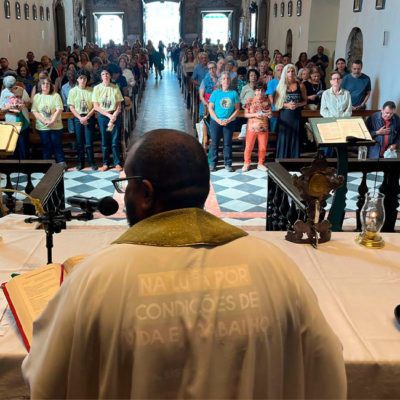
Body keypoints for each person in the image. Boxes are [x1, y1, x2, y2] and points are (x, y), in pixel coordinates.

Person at [22, 129, 347, 399]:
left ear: (146, 193)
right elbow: (327, 373)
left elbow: (45, 378)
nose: (125, 194)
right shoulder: (276, 268)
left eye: (127, 184)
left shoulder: (95, 278)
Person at [92, 66, 124, 171]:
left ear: (110, 75)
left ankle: (117, 162)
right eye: (103, 74)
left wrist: (114, 115)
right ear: (100, 76)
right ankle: (105, 163)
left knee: (115, 140)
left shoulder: (115, 87)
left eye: (107, 74)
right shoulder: (97, 88)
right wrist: (108, 115)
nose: (105, 76)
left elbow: (119, 105)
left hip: (115, 116)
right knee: (105, 140)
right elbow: (96, 106)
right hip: (103, 117)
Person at [208, 72, 241, 172]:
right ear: (220, 81)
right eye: (224, 79)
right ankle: (213, 163)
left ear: (230, 81)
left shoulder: (233, 93)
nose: (226, 80)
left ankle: (228, 163)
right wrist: (218, 120)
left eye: (227, 78)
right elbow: (210, 108)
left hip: (229, 122)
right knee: (215, 143)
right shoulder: (216, 93)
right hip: (216, 121)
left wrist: (229, 119)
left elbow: (237, 109)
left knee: (227, 143)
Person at [274, 64, 307, 158]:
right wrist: (287, 105)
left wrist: (297, 105)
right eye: (288, 71)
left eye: (292, 71)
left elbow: (305, 101)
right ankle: (282, 160)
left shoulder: (301, 86)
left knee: (295, 137)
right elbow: (276, 102)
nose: (291, 73)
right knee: (284, 137)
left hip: (296, 115)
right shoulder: (281, 85)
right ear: (285, 73)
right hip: (285, 115)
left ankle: (294, 161)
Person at [67, 69, 97, 170]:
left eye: (85, 78)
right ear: (77, 79)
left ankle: (92, 162)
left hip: (89, 117)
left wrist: (87, 117)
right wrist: (80, 118)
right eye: (81, 78)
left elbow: (94, 106)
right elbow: (71, 107)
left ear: (87, 79)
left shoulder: (91, 90)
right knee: (79, 142)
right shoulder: (73, 91)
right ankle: (80, 162)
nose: (83, 80)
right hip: (78, 118)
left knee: (88, 141)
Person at [31, 77, 65, 163]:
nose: (46, 85)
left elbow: (59, 109)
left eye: (47, 83)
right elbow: (35, 111)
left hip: (56, 126)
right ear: (40, 85)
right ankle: (47, 166)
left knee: (57, 146)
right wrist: (44, 121)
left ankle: (61, 165)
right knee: (46, 147)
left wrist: (52, 121)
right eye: (43, 83)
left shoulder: (56, 95)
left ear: (50, 85)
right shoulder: (37, 97)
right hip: (43, 127)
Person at [320, 71, 352, 157]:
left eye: (338, 79)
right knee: (328, 149)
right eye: (334, 79)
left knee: (340, 148)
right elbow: (323, 110)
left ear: (341, 80)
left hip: (342, 124)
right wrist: (333, 119)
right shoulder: (325, 94)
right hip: (329, 124)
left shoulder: (346, 94)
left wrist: (340, 119)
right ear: (330, 81)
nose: (336, 81)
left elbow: (348, 111)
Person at [242, 82, 272, 172]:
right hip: (251, 128)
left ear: (264, 91)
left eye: (262, 90)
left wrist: (269, 114)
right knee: (249, 146)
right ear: (254, 91)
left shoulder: (267, 101)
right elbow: (245, 114)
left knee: (262, 147)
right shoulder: (249, 101)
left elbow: (270, 113)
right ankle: (246, 163)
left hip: (263, 128)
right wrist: (255, 114)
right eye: (258, 90)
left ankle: (260, 163)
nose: (259, 92)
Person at [0, 76, 31, 159]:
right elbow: (1, 110)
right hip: (11, 123)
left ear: (15, 83)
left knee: (24, 147)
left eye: (12, 87)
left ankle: (25, 167)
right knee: (13, 148)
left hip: (22, 122)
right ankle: (13, 169)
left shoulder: (21, 90)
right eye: (8, 87)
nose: (10, 89)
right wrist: (9, 106)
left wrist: (23, 105)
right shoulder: (4, 92)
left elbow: (29, 103)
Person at [266, 63, 284, 133]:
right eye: (278, 70)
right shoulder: (271, 83)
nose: (280, 71)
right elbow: (270, 96)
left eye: (282, 70)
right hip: (275, 109)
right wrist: (277, 106)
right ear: (275, 72)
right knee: (274, 130)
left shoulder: (287, 82)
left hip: (285, 110)